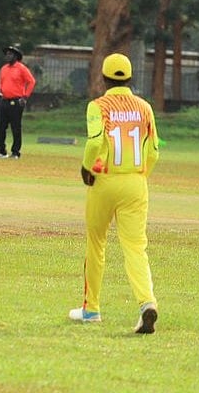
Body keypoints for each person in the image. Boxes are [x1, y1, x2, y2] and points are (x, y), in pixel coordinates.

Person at [69, 53, 160, 334]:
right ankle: (147, 303)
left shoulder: (98, 106)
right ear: (130, 77)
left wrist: (86, 167)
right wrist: (139, 176)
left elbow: (95, 141)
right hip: (135, 183)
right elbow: (154, 151)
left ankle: (91, 309)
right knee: (135, 248)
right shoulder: (144, 108)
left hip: (104, 180)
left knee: (96, 243)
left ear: (103, 78)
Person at [0, 45, 36, 159]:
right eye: (7, 54)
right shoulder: (4, 68)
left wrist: (25, 97)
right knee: (0, 126)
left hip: (16, 101)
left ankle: (15, 152)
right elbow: (1, 82)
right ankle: (1, 151)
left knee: (15, 127)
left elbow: (31, 81)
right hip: (4, 100)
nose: (8, 56)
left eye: (10, 54)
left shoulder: (21, 68)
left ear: (16, 56)